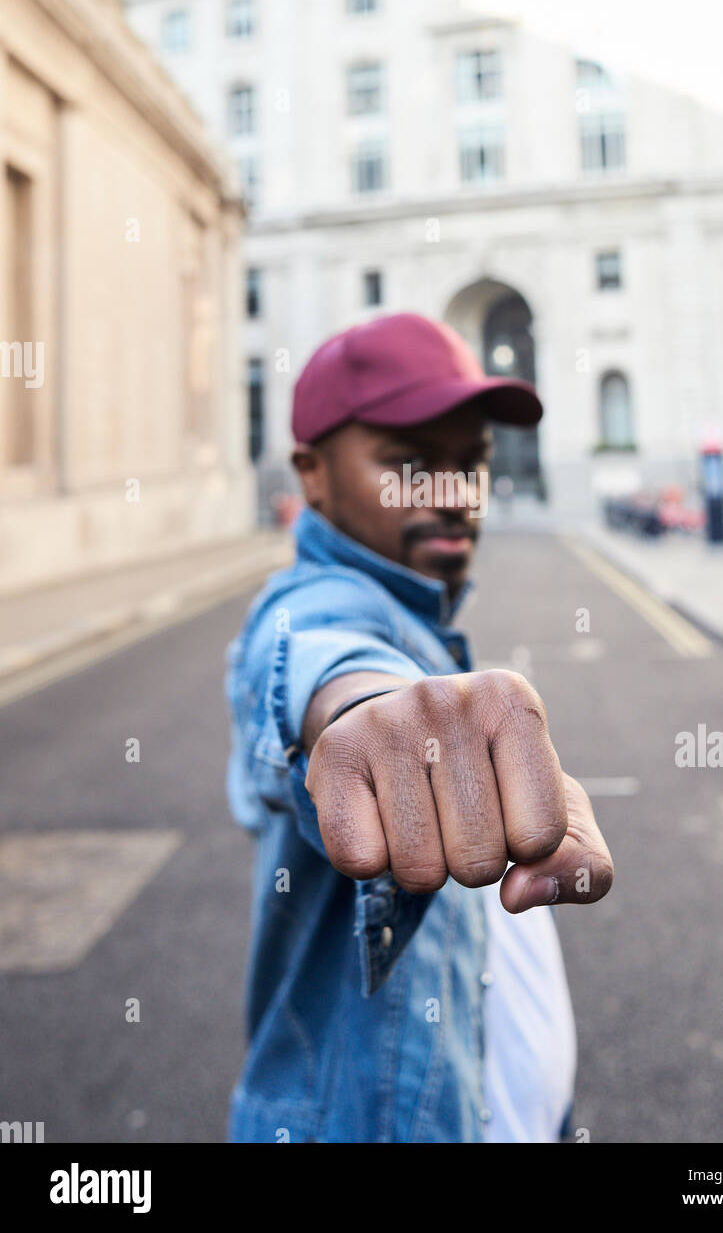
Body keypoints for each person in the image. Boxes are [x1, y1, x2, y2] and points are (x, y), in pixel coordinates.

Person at [225, 312, 614, 1143]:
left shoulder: (421, 620)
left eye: (468, 464)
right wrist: (364, 716)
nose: (452, 496)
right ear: (313, 475)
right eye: (408, 465)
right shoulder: (310, 610)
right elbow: (319, 662)